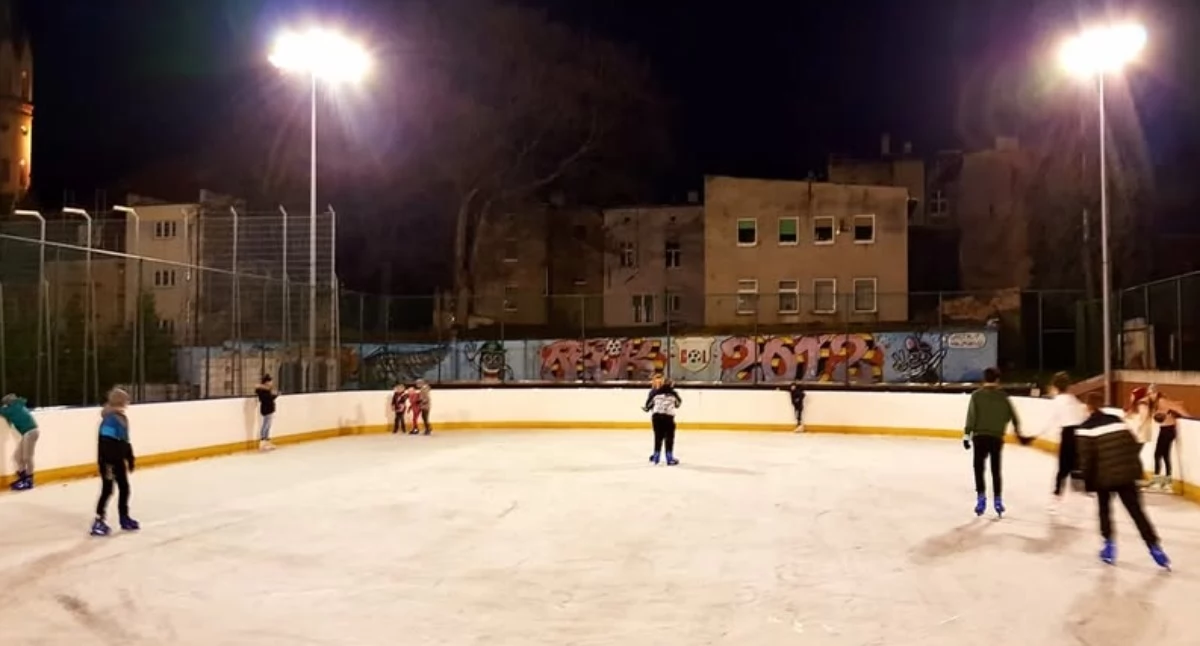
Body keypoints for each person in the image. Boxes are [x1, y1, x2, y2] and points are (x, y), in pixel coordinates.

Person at [1076, 392, 1170, 569]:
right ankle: (1155, 547)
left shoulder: (1084, 428)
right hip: (1127, 473)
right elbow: (1133, 444)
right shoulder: (1117, 420)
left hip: (1103, 477)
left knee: (1104, 510)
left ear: (1087, 407)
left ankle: (1109, 546)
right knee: (1137, 512)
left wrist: (1088, 484)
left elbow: (1086, 459)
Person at [963, 367, 1021, 517]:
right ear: (997, 379)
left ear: (984, 379)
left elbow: (971, 417)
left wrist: (967, 436)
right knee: (996, 470)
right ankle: (998, 500)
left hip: (980, 437)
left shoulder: (976, 396)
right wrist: (1016, 431)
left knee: (978, 468)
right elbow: (1013, 417)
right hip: (996, 438)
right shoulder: (1003, 397)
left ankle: (981, 498)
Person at [91, 388, 138, 537]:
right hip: (108, 462)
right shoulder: (109, 420)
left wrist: (129, 458)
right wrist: (110, 462)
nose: (127, 404)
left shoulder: (121, 418)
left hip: (118, 461)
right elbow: (106, 444)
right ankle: (99, 520)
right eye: (125, 401)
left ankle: (124, 517)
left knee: (124, 488)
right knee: (108, 489)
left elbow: (125, 441)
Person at [1045, 372, 1087, 513]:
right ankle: (1085, 488)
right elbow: (1083, 415)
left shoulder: (1057, 401)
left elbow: (1050, 421)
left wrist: (1034, 435)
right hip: (1079, 434)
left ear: (1055, 386)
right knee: (1078, 464)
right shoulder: (1073, 399)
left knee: (1063, 468)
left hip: (1067, 435)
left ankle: (1056, 496)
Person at [1147, 385, 1188, 491]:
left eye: (1151, 393)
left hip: (1168, 430)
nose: (1150, 395)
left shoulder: (1161, 401)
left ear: (1156, 393)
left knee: (1158, 455)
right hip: (1165, 429)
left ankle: (1158, 482)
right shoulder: (1155, 403)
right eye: (1149, 393)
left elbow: (1177, 407)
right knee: (1165, 455)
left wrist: (1189, 417)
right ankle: (1166, 483)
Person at [1, 393, 39, 491]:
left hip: (30, 432)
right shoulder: (19, 405)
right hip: (28, 433)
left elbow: (2, 411)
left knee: (27, 457)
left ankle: (29, 480)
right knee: (17, 457)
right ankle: (23, 478)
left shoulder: (12, 409)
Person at [644, 373, 682, 466]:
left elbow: (648, 405)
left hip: (656, 417)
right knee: (669, 437)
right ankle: (669, 457)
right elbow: (678, 404)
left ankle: (656, 456)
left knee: (658, 436)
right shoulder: (674, 394)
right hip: (668, 417)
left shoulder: (655, 393)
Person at [255, 375, 278, 451]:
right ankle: (262, 442)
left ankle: (267, 441)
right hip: (266, 409)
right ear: (266, 382)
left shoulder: (267, 390)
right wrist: (274, 396)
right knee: (265, 425)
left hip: (269, 409)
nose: (271, 383)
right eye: (270, 381)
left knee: (268, 426)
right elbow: (266, 399)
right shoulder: (262, 390)